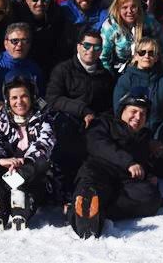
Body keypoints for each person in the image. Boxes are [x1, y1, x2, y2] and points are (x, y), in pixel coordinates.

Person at [69, 89, 163, 239]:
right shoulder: (103, 122)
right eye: (134, 111)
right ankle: (83, 217)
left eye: (143, 114)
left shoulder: (144, 137)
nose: (138, 117)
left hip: (125, 181)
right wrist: (128, 162)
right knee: (92, 187)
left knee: (151, 197)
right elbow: (97, 144)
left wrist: (150, 174)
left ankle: (94, 210)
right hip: (100, 170)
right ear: (122, 110)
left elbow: (146, 162)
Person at [0, 76, 56, 231]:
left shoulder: (43, 117)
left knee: (41, 165)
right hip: (6, 169)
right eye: (14, 98)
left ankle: (22, 205)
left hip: (28, 170)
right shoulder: (1, 117)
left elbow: (45, 142)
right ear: (7, 100)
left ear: (32, 96)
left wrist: (24, 162)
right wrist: (0, 159)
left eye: (24, 96)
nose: (19, 102)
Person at [46, 27, 115, 196]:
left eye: (96, 47)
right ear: (78, 46)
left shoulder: (105, 76)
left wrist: (99, 121)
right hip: (67, 122)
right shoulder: (63, 69)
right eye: (87, 45)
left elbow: (108, 106)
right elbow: (53, 98)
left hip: (94, 124)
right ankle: (63, 192)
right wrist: (82, 110)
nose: (91, 50)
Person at [112, 37, 163, 150]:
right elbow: (119, 111)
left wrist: (160, 138)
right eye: (142, 52)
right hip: (131, 139)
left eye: (151, 53)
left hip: (162, 139)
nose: (146, 56)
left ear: (156, 58)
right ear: (135, 56)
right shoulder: (125, 80)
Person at [99, 0, 163, 73]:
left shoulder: (148, 21)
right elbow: (104, 58)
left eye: (133, 7)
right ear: (118, 8)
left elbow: (162, 45)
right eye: (124, 7)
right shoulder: (110, 27)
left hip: (148, 67)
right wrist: (109, 78)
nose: (129, 11)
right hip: (121, 71)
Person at [0, 22, 45, 103]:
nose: (19, 45)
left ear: (30, 44)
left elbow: (41, 99)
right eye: (15, 41)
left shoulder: (34, 68)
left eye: (24, 40)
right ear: (6, 43)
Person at [14, 0, 71, 74]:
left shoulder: (57, 17)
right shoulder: (17, 17)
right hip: (21, 65)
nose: (39, 3)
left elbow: (62, 47)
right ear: (27, 0)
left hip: (49, 66)